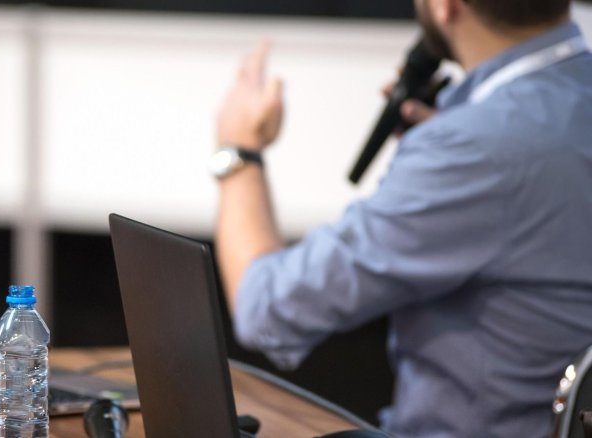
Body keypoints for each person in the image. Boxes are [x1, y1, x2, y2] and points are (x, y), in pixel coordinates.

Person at [212, 0, 592, 436]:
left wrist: (240, 151)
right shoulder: (496, 134)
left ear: (445, 6)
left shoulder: (471, 148)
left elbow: (268, 309)